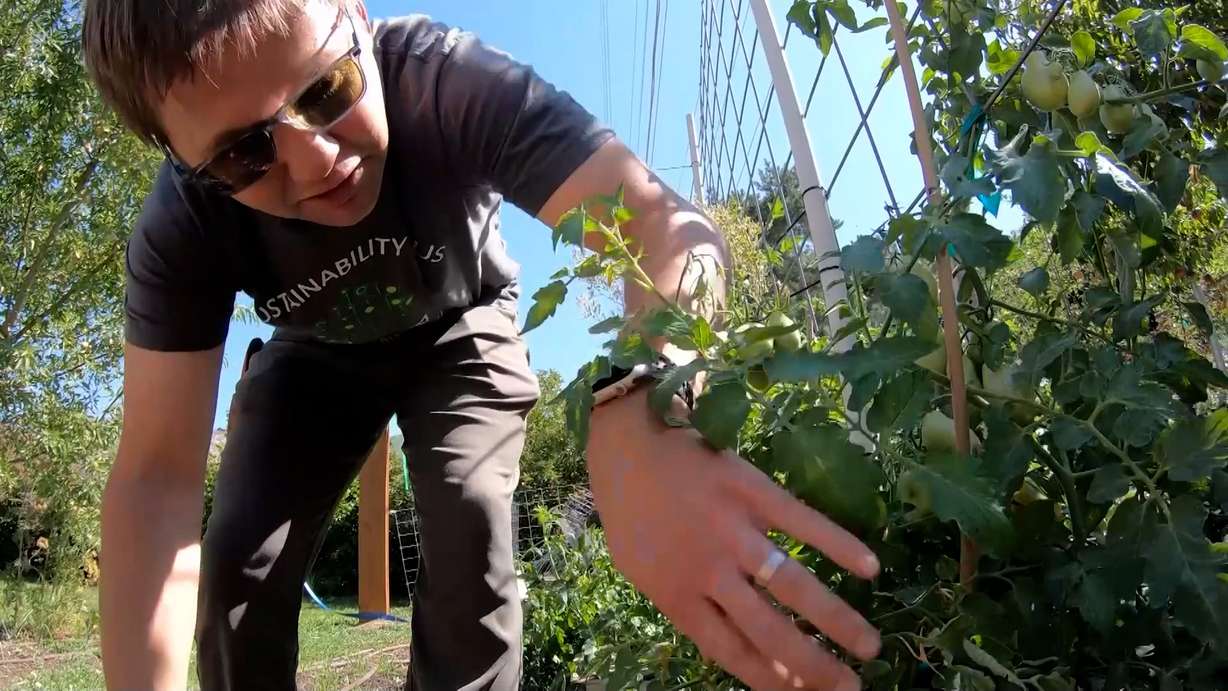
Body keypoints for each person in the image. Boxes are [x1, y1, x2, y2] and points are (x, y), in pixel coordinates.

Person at [82, 1, 882, 689]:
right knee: (238, 564)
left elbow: (671, 229)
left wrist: (650, 389)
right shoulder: (182, 226)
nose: (314, 156)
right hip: (315, 357)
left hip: (462, 328)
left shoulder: (446, 82)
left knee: (471, 522)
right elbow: (156, 480)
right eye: (244, 153)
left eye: (326, 90)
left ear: (357, 14)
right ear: (184, 162)